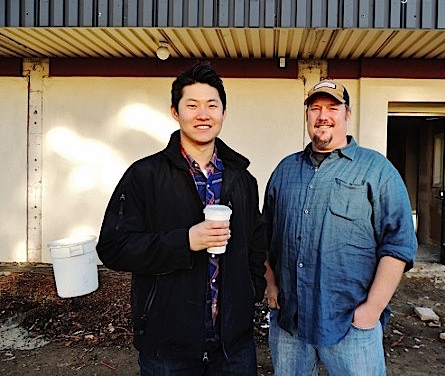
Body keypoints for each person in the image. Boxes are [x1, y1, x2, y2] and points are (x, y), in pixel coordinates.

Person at [97, 62, 266, 375]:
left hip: (234, 348)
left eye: (212, 105)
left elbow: (256, 243)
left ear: (224, 113)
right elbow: (112, 247)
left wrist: (250, 292)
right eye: (192, 105)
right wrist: (185, 241)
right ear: (175, 111)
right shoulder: (144, 175)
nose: (203, 114)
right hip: (167, 348)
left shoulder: (242, 180)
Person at [262, 80, 417, 375]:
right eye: (315, 108)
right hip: (289, 322)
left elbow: (398, 244)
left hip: (351, 326)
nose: (323, 115)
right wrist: (271, 285)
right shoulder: (284, 170)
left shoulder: (377, 170)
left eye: (333, 107)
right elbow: (263, 235)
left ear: (347, 114)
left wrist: (372, 309)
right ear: (307, 115)